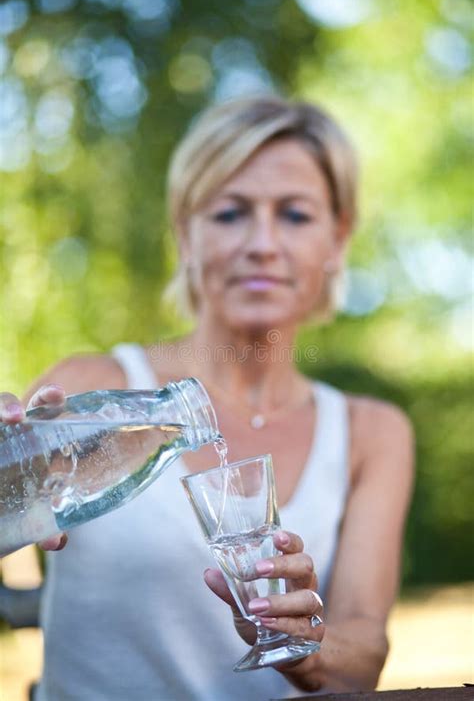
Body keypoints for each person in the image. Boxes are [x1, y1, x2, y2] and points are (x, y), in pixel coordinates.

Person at [0, 96, 414, 700]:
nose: (263, 244)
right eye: (229, 213)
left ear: (337, 238)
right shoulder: (92, 388)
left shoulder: (371, 433)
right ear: (185, 235)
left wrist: (308, 646)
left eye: (295, 215)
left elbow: (364, 653)